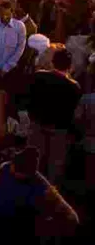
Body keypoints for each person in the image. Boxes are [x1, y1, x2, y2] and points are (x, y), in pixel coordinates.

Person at [26, 47, 81, 185]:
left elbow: (29, 100)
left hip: (37, 126)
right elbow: (74, 114)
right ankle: (50, 196)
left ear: (53, 62)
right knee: (54, 170)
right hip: (59, 131)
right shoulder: (74, 86)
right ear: (69, 65)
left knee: (34, 165)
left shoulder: (38, 76)